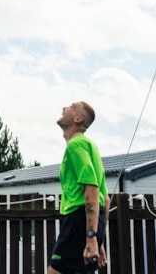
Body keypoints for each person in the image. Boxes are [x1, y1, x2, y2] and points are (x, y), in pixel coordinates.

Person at [48, 101, 108, 274]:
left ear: (78, 118)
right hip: (89, 226)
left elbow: (92, 189)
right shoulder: (90, 146)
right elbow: (105, 199)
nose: (64, 107)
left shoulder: (76, 145)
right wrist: (98, 239)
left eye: (71, 106)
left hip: (78, 222)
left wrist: (91, 238)